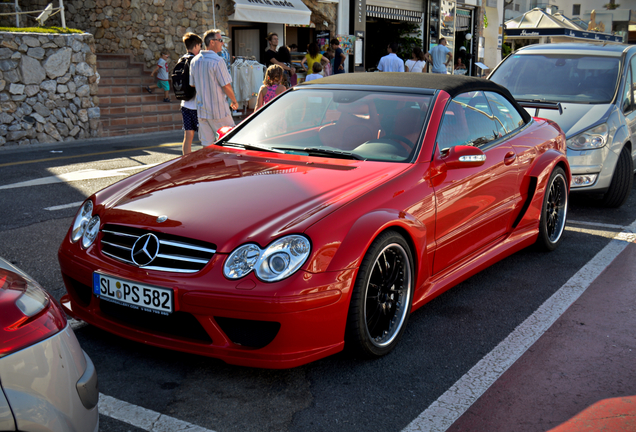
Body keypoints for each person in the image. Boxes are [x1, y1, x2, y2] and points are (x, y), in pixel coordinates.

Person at [189, 29, 239, 146]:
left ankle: (210, 165)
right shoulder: (218, 61)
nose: (222, 43)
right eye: (220, 40)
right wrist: (234, 100)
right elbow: (226, 85)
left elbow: (193, 84)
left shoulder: (194, 61)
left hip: (202, 110)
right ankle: (228, 165)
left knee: (207, 145)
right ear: (212, 42)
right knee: (230, 141)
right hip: (218, 111)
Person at [179, 32, 202, 155]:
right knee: (205, 137)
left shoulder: (181, 59)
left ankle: (185, 160)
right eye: (200, 46)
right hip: (196, 105)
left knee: (188, 136)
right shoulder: (195, 60)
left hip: (184, 104)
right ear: (197, 46)